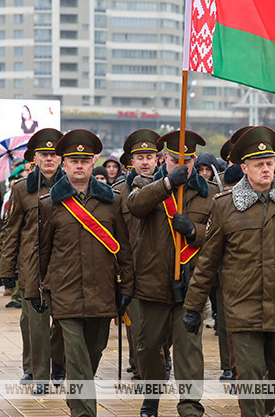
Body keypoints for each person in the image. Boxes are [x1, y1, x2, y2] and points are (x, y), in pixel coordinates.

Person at [183, 126, 275, 417]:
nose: (266, 169)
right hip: (242, 308)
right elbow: (208, 260)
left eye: (270, 163)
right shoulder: (224, 206)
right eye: (259, 165)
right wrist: (193, 307)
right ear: (244, 168)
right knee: (249, 377)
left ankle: (268, 402)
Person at [37, 129, 133, 413]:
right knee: (77, 357)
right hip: (65, 294)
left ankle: (75, 390)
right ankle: (84, 411)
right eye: (73, 160)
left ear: (93, 164)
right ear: (64, 164)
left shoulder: (113, 203)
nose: (79, 165)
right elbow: (41, 252)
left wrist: (126, 288)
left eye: (85, 160)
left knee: (92, 354)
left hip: (102, 294)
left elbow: (124, 250)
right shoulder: (49, 205)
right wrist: (36, 289)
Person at [128, 130, 218, 417]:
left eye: (188, 160)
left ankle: (190, 405)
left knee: (188, 348)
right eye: (176, 159)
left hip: (191, 283)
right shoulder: (147, 184)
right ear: (164, 158)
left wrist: (194, 231)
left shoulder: (210, 193)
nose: (183, 165)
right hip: (152, 281)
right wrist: (167, 184)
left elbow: (218, 235)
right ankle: (151, 398)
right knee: (149, 346)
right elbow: (136, 206)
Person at [0, 128, 66, 389]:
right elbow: (11, 231)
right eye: (43, 154)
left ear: (61, 158)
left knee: (62, 321)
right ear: (34, 158)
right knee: (32, 322)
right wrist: (4, 268)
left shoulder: (70, 187)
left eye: (54, 154)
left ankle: (58, 363)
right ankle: (37, 372)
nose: (49, 159)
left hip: (63, 264)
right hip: (32, 264)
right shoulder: (22, 189)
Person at [113, 129, 170, 381]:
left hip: (161, 271)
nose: (145, 162)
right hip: (130, 270)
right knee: (135, 325)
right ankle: (141, 370)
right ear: (131, 162)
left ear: (158, 159)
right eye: (140, 158)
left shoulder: (171, 189)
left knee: (162, 330)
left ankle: (161, 361)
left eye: (150, 156)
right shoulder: (117, 193)